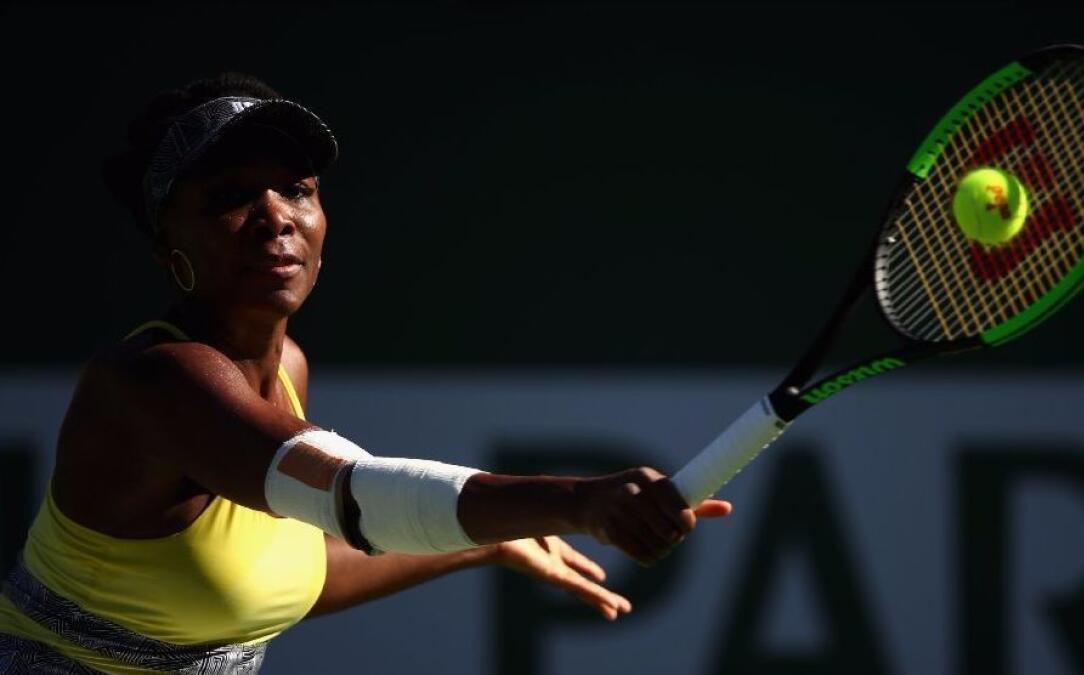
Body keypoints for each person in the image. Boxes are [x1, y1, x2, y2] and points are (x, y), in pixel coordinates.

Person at [0, 73, 732, 674]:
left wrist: (483, 537)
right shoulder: (157, 382)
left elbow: (279, 575)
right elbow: (357, 495)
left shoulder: (286, 368)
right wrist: (574, 499)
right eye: (229, 196)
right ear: (167, 246)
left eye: (297, 188)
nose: (275, 217)